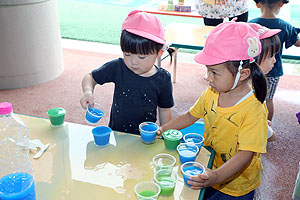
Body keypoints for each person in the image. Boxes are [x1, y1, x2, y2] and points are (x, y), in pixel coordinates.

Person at [159, 21, 268, 199]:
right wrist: (164, 129)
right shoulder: (211, 93)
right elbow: (189, 116)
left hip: (236, 187)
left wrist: (216, 176)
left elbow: (246, 154)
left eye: (214, 72)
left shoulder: (254, 108)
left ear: (243, 74)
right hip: (210, 168)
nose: (207, 77)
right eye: (208, 70)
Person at [80, 10, 174, 134]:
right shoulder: (118, 67)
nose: (133, 62)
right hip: (116, 133)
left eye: (141, 57)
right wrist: (87, 91)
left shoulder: (163, 78)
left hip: (145, 136)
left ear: (159, 53)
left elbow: (164, 110)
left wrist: (164, 132)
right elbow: (90, 77)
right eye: (127, 54)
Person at [249, 0, 300, 121]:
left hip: (254, 70)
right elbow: (297, 43)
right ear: (281, 4)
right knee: (268, 99)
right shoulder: (284, 25)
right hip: (274, 70)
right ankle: (267, 125)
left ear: (257, 4)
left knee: (251, 97)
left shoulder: (251, 24)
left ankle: (250, 122)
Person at [249, 22, 281, 142]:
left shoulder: (251, 85)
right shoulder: (250, 96)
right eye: (270, 56)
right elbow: (271, 137)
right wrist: (267, 130)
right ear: (253, 57)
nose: (274, 60)